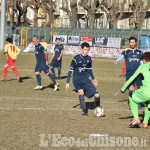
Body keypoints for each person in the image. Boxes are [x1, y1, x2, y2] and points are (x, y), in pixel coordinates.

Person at [66, 42, 101, 116]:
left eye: (87, 50)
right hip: (77, 79)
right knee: (81, 93)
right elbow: (70, 70)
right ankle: (84, 110)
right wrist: (67, 82)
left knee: (97, 95)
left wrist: (93, 79)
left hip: (86, 79)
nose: (86, 51)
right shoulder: (76, 58)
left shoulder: (89, 59)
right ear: (81, 49)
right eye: (85, 49)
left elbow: (90, 70)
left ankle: (97, 106)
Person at [116, 52, 150, 128]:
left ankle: (136, 118)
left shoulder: (142, 67)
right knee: (148, 104)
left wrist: (123, 89)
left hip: (147, 92)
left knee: (131, 96)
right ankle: (145, 123)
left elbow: (131, 78)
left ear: (143, 60)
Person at [113, 37, 143, 109]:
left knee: (141, 89)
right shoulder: (126, 52)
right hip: (129, 73)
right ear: (129, 43)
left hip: (138, 74)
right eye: (131, 42)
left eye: (133, 42)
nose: (132, 44)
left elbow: (142, 62)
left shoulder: (140, 52)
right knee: (131, 88)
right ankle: (132, 103)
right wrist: (117, 61)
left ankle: (138, 101)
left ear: (136, 43)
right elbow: (121, 57)